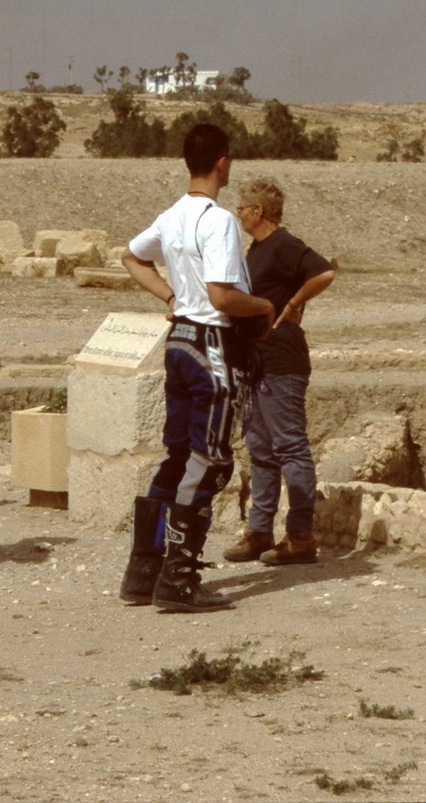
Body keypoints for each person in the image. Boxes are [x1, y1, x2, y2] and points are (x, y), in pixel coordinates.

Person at [118, 124, 275, 612]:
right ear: (223, 162)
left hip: (180, 342)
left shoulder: (171, 215)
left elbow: (131, 257)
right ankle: (179, 576)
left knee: (178, 455)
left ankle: (144, 570)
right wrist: (265, 307)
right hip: (211, 344)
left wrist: (170, 297)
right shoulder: (219, 220)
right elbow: (222, 296)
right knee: (210, 460)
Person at [224, 177, 336, 566]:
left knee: (290, 446)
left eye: (241, 207)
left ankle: (301, 537)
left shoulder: (283, 243)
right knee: (260, 450)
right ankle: (259, 532)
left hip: (280, 360)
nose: (238, 213)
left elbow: (324, 272)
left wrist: (293, 305)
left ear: (258, 211)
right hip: (256, 362)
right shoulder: (256, 249)